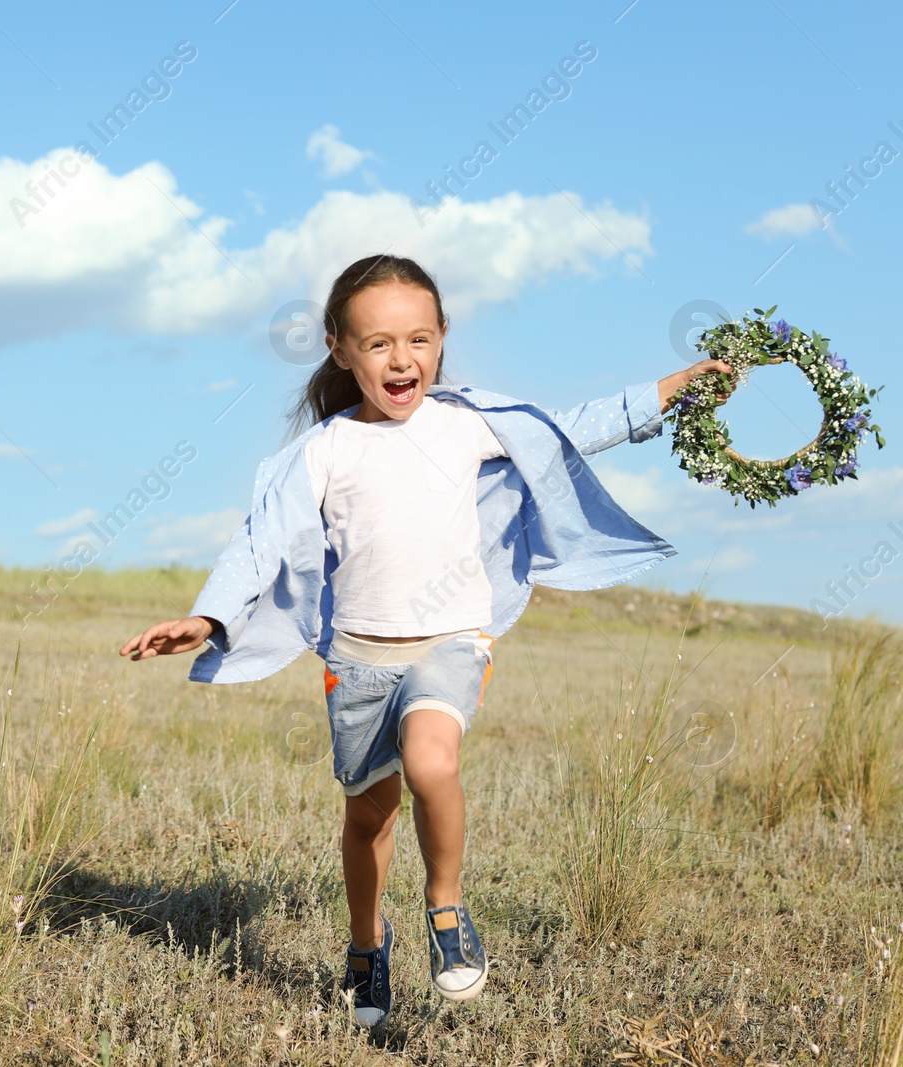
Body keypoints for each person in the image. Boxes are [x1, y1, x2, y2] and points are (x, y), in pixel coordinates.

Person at [118, 255, 732, 1028]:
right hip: (357, 658)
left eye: (418, 339)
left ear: (442, 339)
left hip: (451, 638)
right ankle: (367, 946)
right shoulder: (322, 450)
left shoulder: (467, 425)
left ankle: (447, 907)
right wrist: (207, 618)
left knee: (431, 760)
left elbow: (575, 428)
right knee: (368, 815)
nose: (400, 359)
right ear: (341, 350)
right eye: (377, 344)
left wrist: (676, 387)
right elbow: (258, 542)